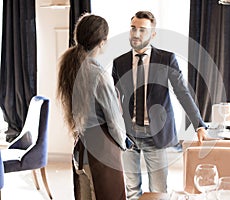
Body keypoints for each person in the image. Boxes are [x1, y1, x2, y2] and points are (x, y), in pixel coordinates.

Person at [112, 11, 208, 200]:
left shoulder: (166, 58)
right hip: (127, 135)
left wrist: (199, 124)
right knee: (131, 189)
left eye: (142, 30)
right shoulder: (119, 62)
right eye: (133, 28)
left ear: (153, 34)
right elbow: (115, 98)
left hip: (155, 134)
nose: (136, 34)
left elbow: (182, 92)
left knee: (158, 190)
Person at [57, 13, 128, 200]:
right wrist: (123, 143)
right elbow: (114, 121)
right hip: (103, 152)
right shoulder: (99, 74)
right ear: (102, 42)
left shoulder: (68, 68)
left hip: (80, 150)